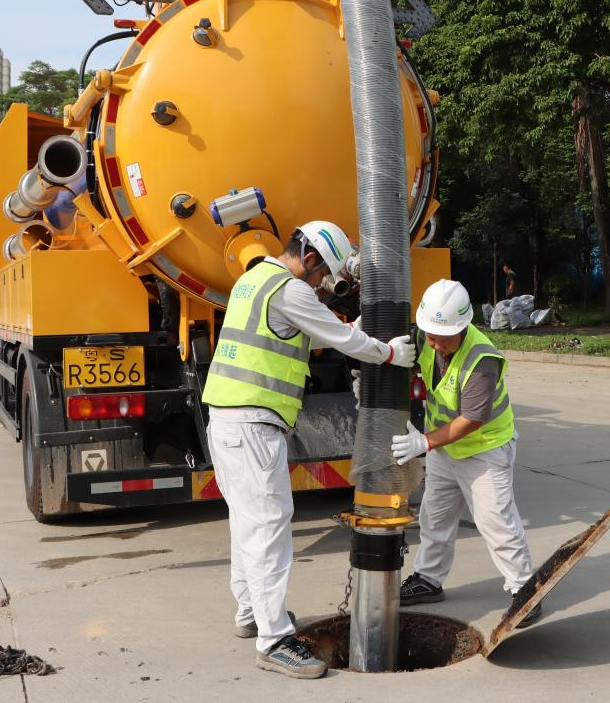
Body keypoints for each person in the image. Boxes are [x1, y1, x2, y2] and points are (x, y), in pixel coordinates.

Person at [201, 220, 416, 679]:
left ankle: (251, 613)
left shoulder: (254, 280)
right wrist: (388, 353)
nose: (321, 285)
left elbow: (311, 332)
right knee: (270, 527)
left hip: (227, 419)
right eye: (322, 275)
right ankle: (274, 640)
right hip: (253, 424)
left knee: (247, 523)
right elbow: (341, 340)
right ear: (311, 258)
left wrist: (349, 326)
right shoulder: (291, 288)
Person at [392, 279, 542, 627]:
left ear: (462, 328)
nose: (433, 343)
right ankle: (429, 578)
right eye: (429, 335)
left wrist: (424, 442)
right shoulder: (426, 337)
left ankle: (525, 591)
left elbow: (472, 419)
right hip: (446, 450)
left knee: (496, 522)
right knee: (435, 516)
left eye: (442, 338)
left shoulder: (482, 359)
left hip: (484, 449)